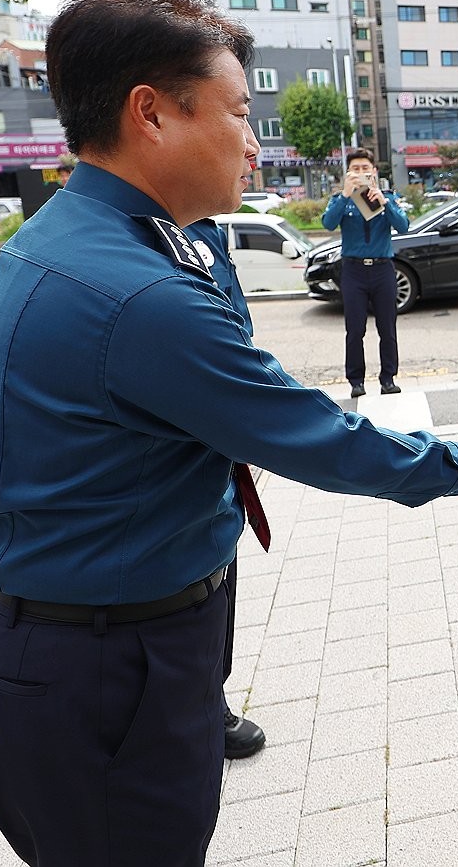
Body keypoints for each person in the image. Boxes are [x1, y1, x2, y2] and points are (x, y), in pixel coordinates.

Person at [0, 0, 458, 867]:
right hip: (108, 674)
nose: (256, 147)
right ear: (152, 113)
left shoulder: (94, 236)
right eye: (238, 113)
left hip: (89, 643)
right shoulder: (136, 290)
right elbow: (303, 428)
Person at [183, 216, 263, 759]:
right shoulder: (139, 236)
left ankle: (210, 700)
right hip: (190, 433)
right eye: (238, 123)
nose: (253, 148)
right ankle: (195, 711)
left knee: (221, 561)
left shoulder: (205, 228)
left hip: (222, 432)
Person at [321, 148, 408, 398]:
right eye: (355, 169)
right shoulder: (342, 199)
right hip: (354, 271)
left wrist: (384, 202)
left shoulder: (387, 196)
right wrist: (345, 194)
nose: (360, 172)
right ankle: (356, 382)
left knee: (387, 328)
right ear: (349, 172)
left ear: (374, 171)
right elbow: (327, 224)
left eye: (365, 168)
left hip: (382, 269)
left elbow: (403, 226)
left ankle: (388, 379)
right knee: (355, 329)